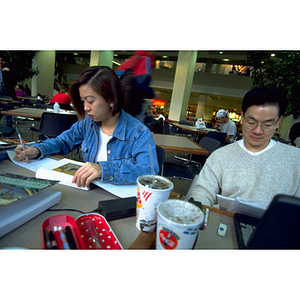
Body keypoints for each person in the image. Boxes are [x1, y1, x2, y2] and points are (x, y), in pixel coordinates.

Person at [14, 66, 159, 187]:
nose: (85, 107)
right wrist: (38, 149)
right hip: (86, 192)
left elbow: (150, 172)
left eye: (90, 101)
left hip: (117, 202)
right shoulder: (87, 124)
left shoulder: (138, 133)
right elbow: (63, 141)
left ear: (111, 98)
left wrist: (104, 169)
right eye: (83, 101)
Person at [190, 86, 300, 207]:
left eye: (267, 124)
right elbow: (202, 191)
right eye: (252, 122)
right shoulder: (220, 156)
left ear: (278, 122)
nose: (258, 131)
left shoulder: (295, 159)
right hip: (227, 221)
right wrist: (198, 210)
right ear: (242, 118)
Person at [115, 51, 157, 122]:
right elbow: (140, 84)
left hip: (118, 105)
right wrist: (152, 94)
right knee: (135, 129)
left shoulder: (130, 60)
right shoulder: (145, 60)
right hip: (132, 106)